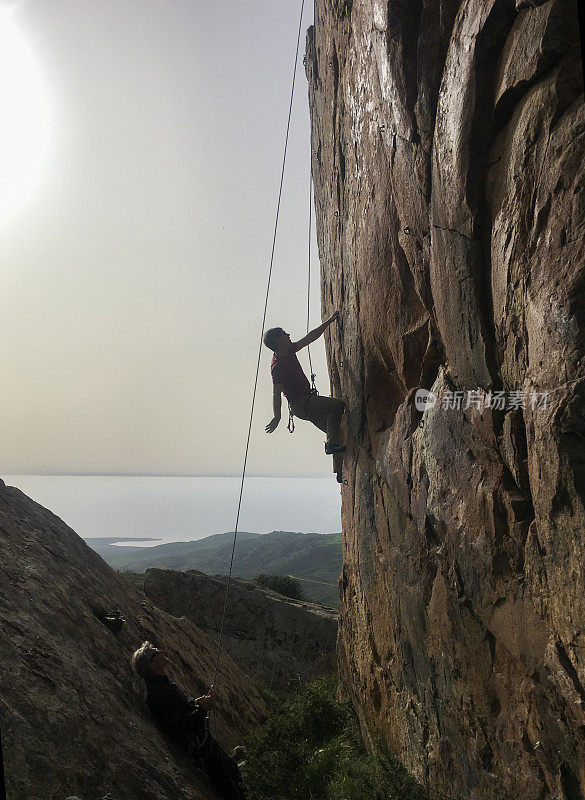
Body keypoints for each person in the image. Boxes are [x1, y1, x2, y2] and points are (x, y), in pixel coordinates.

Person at [131, 642, 245, 800]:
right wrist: (202, 709)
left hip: (205, 743)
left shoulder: (162, 685)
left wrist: (197, 702)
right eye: (156, 652)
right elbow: (182, 724)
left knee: (233, 770)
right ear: (151, 665)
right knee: (231, 790)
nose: (161, 651)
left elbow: (182, 708)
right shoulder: (157, 694)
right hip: (201, 750)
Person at [264, 313, 346, 479]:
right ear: (277, 341)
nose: (288, 334)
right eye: (284, 334)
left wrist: (329, 322)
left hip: (306, 403)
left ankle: (339, 471)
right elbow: (276, 392)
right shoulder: (277, 366)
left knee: (336, 431)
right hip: (301, 404)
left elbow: (310, 338)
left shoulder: (289, 351)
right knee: (338, 406)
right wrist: (277, 416)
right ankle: (331, 446)